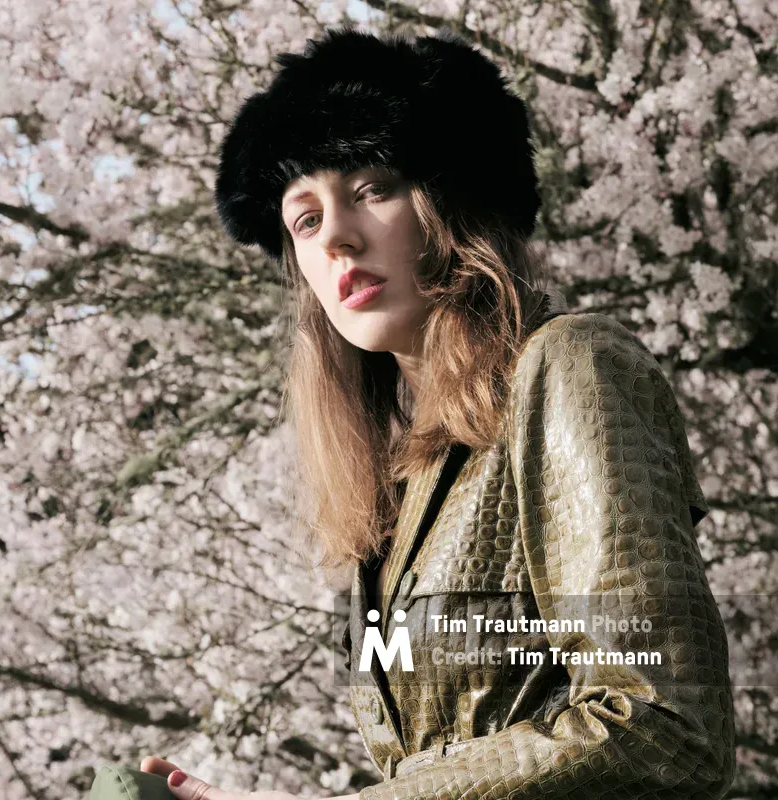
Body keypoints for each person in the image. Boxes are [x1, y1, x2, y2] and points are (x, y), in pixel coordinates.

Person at [126, 26, 736, 800]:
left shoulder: (569, 366)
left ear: (453, 201)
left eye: (372, 188)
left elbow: (663, 728)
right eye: (305, 219)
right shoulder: (395, 491)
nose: (338, 238)